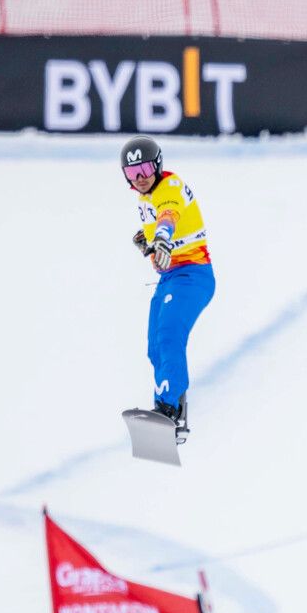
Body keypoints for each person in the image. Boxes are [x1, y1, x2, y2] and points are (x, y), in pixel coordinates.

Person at [121, 136, 214, 442]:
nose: (140, 178)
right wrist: (149, 243)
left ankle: (167, 409)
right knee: (155, 348)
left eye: (146, 169)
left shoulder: (169, 187)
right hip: (171, 278)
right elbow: (164, 229)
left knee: (169, 336)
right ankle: (172, 410)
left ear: (158, 166)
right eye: (132, 173)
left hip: (192, 276)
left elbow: (169, 215)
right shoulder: (145, 197)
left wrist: (160, 237)